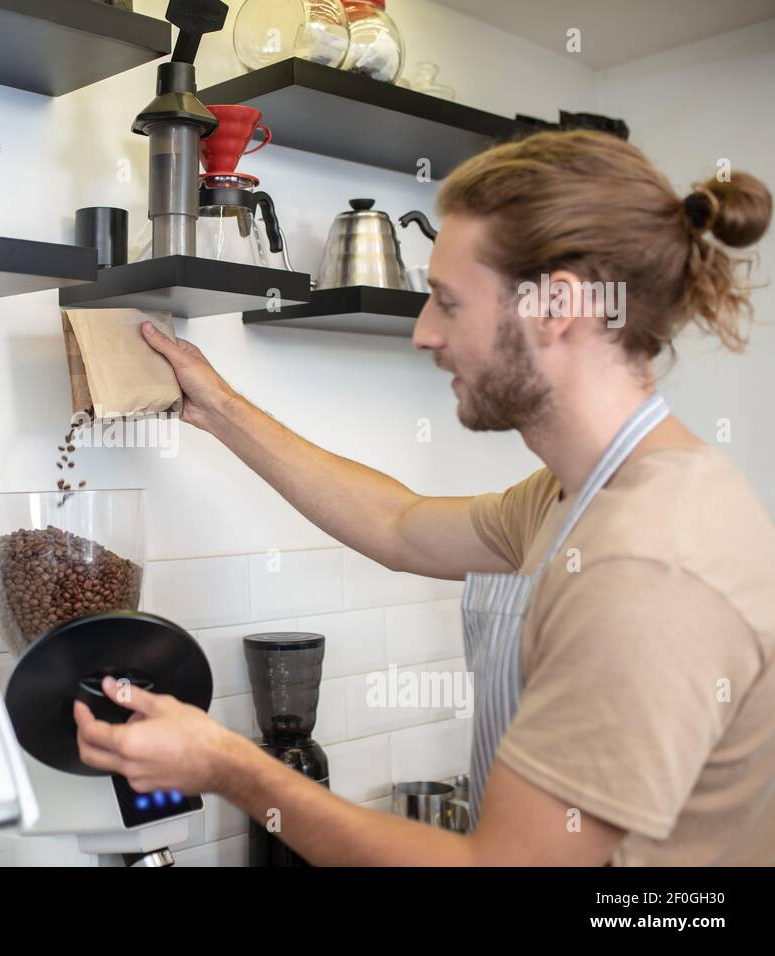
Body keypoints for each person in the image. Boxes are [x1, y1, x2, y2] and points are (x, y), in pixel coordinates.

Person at [73, 131, 775, 865]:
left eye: (447, 302)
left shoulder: (645, 561)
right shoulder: (575, 495)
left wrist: (230, 767)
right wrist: (219, 408)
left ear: (557, 305)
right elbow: (400, 525)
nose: (424, 333)